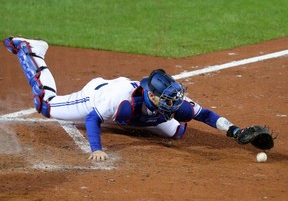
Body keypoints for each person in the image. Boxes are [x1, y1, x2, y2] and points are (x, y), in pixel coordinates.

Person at [3, 37, 243, 161]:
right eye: (167, 99)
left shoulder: (168, 98)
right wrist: (96, 149)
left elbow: (205, 115)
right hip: (95, 97)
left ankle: (127, 123)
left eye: (173, 98)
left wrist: (233, 130)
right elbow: (91, 118)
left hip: (132, 109)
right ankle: (31, 49)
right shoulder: (117, 99)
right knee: (46, 105)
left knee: (176, 132)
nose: (173, 103)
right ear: (151, 95)